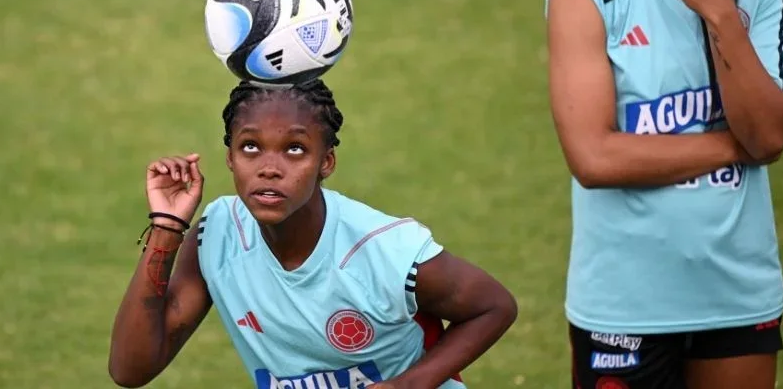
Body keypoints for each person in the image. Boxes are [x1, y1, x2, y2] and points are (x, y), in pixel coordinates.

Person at [544, 0, 783, 387]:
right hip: (623, 303)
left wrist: (720, 13)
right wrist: (736, 146)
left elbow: (769, 132)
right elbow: (595, 157)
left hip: (737, 295)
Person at [109, 79, 518, 388]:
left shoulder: (383, 251)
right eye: (251, 147)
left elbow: (494, 306)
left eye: (295, 149)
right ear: (230, 158)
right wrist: (167, 228)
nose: (269, 167)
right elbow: (131, 369)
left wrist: (405, 385)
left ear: (327, 162)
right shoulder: (217, 236)